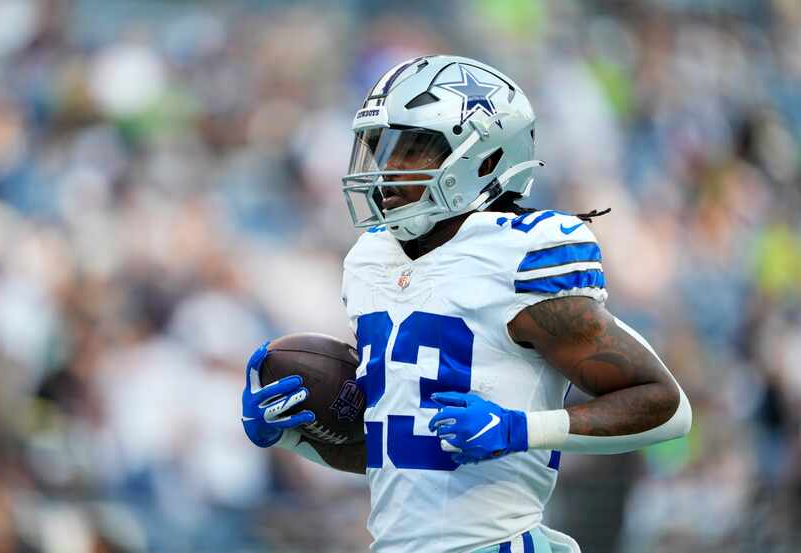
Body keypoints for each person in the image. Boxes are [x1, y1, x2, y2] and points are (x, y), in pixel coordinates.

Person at [241, 56, 692, 553]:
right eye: (381, 148)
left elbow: (665, 407)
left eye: (411, 149)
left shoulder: (521, 254)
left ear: (486, 157)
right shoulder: (370, 260)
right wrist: (294, 435)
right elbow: (400, 453)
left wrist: (521, 428)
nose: (386, 171)